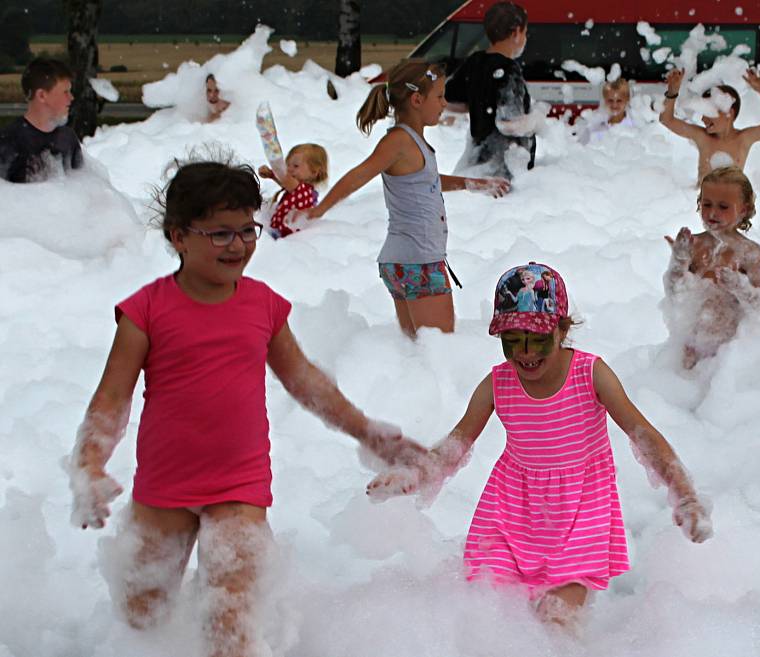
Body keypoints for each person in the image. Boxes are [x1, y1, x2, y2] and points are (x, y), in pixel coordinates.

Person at [65, 159, 426, 657]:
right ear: (178, 237)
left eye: (247, 230)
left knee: (230, 620)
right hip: (165, 485)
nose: (237, 245)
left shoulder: (262, 306)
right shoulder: (145, 311)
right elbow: (111, 398)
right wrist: (88, 463)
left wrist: (366, 430)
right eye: (219, 233)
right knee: (142, 615)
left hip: (238, 483)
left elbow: (304, 381)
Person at [367, 262, 712, 626]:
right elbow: (456, 444)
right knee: (489, 609)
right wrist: (414, 474)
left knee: (555, 618)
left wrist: (684, 492)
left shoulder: (590, 374)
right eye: (511, 341)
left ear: (563, 329)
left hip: (580, 511)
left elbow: (642, 433)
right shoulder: (497, 383)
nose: (524, 353)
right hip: (512, 510)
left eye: (537, 339)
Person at [304, 60, 510, 338]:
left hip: (404, 262)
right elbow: (359, 174)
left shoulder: (412, 142)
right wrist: (319, 210)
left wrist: (474, 184)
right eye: (439, 96)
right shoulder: (399, 142)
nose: (443, 103)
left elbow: (429, 181)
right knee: (438, 350)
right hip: (419, 262)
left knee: (415, 351)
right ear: (416, 99)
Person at [664, 166, 760, 369]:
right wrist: (679, 260)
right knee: (681, 387)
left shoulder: (750, 253)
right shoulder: (694, 245)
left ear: (744, 209)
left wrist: (739, 286)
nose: (712, 212)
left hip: (729, 350)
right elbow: (675, 294)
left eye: (723, 206)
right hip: (691, 344)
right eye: (707, 204)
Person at [445, 1, 536, 179]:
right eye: (525, 32)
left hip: (478, 161)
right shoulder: (509, 70)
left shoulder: (474, 61)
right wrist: (536, 122)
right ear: (516, 32)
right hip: (505, 169)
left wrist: (476, 105)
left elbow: (448, 101)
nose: (525, 39)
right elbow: (508, 124)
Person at [659, 67, 760, 183]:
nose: (703, 119)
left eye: (708, 112)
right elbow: (666, 120)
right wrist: (672, 92)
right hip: (704, 203)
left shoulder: (743, 139)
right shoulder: (702, 137)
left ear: (728, 113)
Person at [0, 58, 83, 183]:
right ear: (42, 96)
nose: (71, 98)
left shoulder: (67, 138)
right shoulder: (8, 141)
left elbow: (83, 186)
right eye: (65, 92)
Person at [258, 143, 328, 239]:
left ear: (314, 172)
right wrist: (271, 175)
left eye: (295, 166)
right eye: (287, 165)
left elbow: (286, 182)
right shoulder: (301, 189)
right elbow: (286, 184)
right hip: (283, 232)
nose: (289, 169)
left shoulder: (303, 190)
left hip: (288, 235)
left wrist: (274, 171)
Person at [577, 78, 634, 144]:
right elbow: (580, 149)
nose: (614, 105)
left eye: (619, 101)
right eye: (610, 100)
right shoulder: (594, 126)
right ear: (604, 100)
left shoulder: (634, 126)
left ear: (627, 100)